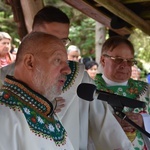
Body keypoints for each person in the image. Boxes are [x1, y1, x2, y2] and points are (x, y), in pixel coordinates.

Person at [0, 6, 133, 150]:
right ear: (33, 36)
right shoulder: (3, 80)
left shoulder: (79, 76)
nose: (58, 46)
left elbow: (105, 126)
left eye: (63, 41)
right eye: (49, 38)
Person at [0, 31, 74, 150]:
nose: (67, 70)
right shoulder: (4, 115)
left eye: (66, 62)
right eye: (57, 60)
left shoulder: (45, 111)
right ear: (30, 62)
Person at [95, 36, 150, 150]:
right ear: (103, 60)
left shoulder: (146, 91)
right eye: (118, 59)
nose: (124, 65)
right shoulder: (90, 90)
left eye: (129, 61)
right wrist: (109, 122)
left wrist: (143, 121)